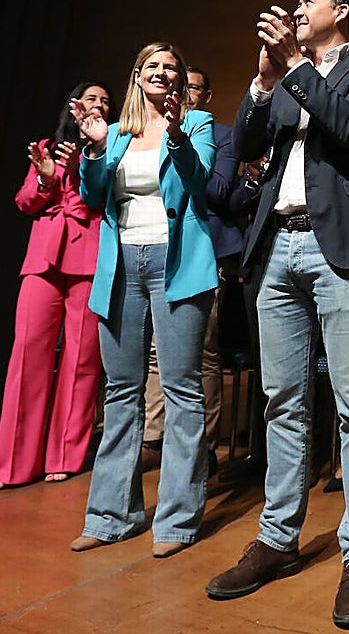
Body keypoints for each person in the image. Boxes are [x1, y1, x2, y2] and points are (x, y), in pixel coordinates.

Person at [206, 0, 349, 631]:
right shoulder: (288, 76)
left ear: (340, 11)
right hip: (276, 248)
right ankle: (278, 539)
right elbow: (246, 147)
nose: (296, 10)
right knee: (281, 401)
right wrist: (264, 83)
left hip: (338, 246)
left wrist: (293, 66)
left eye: (307, 2)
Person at [69, 42, 218, 559]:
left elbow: (200, 183)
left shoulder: (196, 123)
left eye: (170, 67)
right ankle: (111, 516)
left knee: (181, 391)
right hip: (121, 268)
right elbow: (92, 198)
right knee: (121, 391)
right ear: (137, 75)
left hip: (177, 264)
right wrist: (93, 152)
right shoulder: (113, 133)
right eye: (152, 66)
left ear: (178, 79)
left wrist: (176, 136)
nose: (161, 72)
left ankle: (176, 520)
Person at [0, 82, 112, 490]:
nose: (98, 105)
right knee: (27, 353)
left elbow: (102, 200)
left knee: (81, 360)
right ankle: (13, 465)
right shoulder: (46, 147)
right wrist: (45, 181)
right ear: (74, 106)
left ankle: (64, 456)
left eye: (105, 101)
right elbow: (25, 202)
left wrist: (80, 169)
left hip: (88, 258)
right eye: (91, 98)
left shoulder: (110, 148)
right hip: (44, 258)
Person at [142, 66, 242, 475]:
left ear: (206, 96)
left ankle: (204, 443)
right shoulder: (149, 132)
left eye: (193, 88)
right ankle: (154, 437)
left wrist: (182, 143)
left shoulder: (221, 134)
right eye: (180, 87)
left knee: (202, 350)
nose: (183, 94)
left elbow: (216, 190)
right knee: (155, 350)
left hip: (205, 250)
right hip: (158, 245)